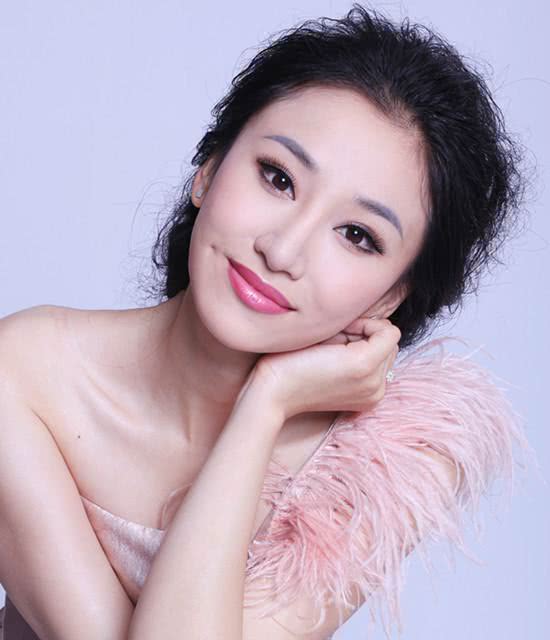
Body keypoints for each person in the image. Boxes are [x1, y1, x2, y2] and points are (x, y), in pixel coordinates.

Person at [0, 4, 535, 639]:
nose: (282, 251)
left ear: (391, 296)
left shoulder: (391, 459)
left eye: (357, 235)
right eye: (278, 178)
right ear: (209, 168)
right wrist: (268, 406)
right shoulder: (22, 375)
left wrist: (265, 404)